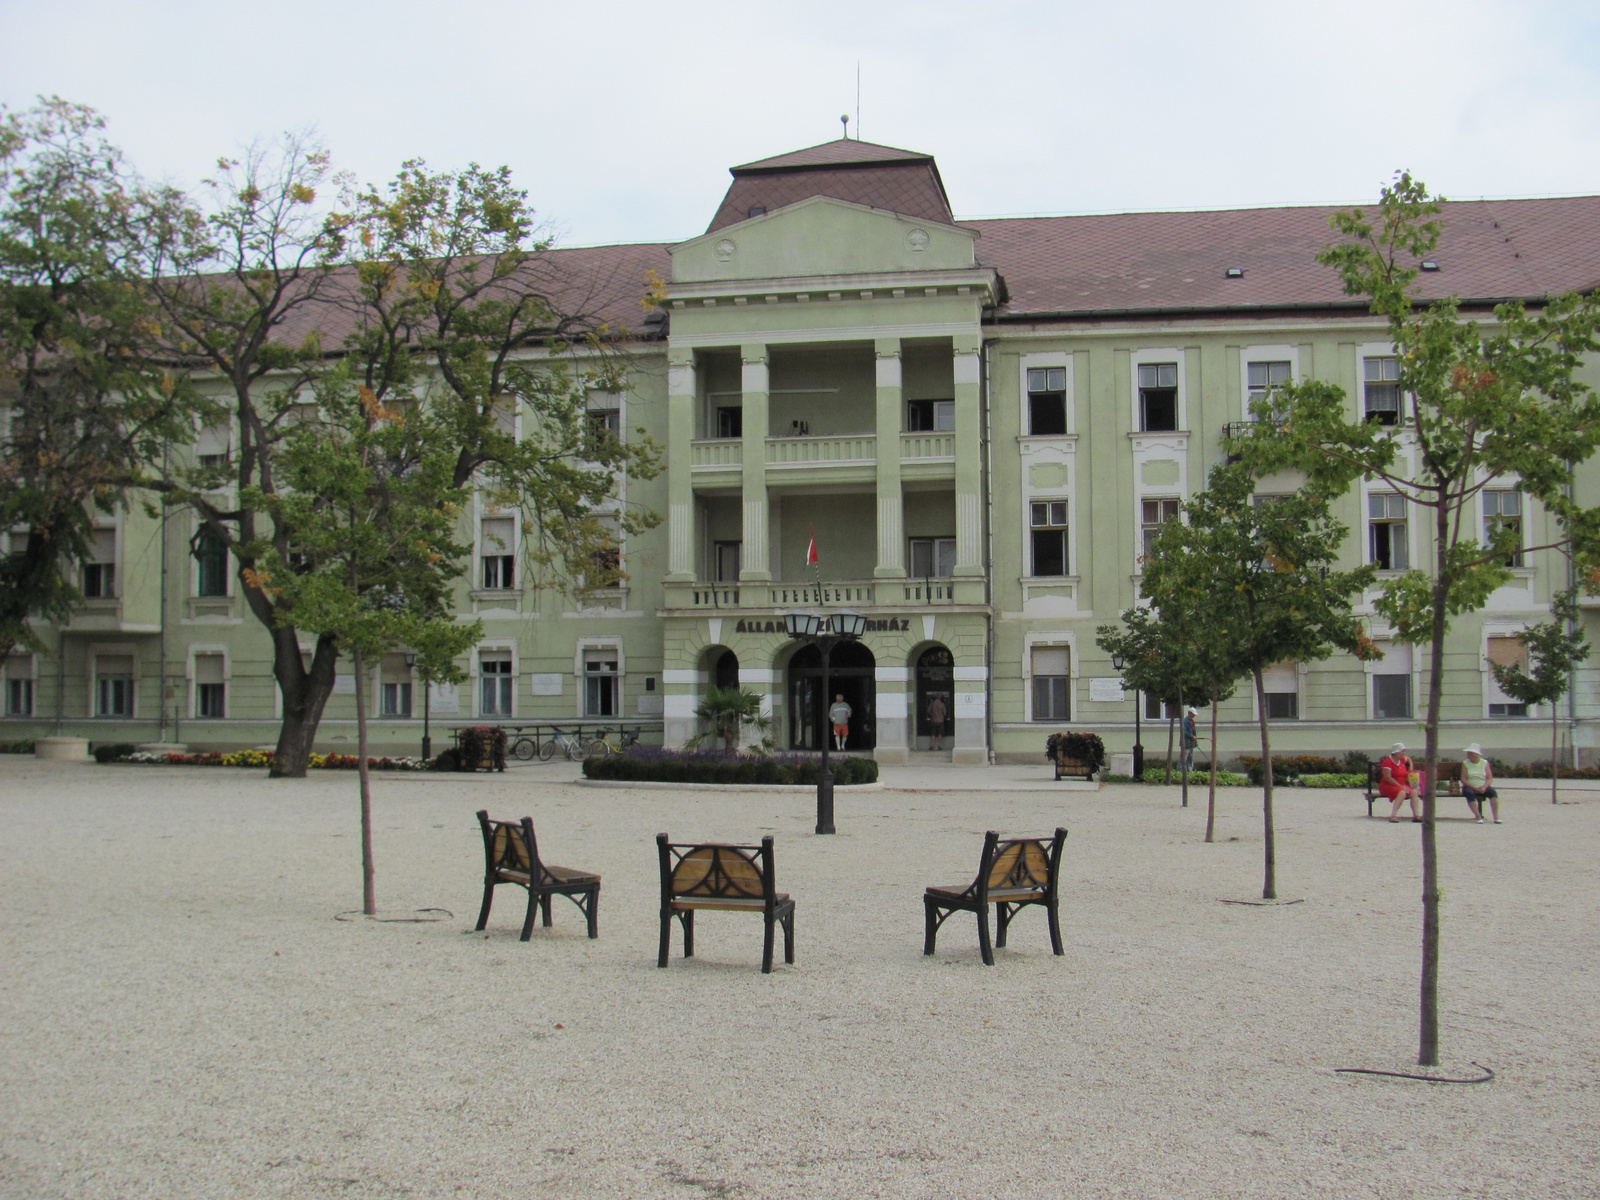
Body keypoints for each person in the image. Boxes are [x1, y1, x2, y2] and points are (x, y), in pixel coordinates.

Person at [1380, 741, 1422, 823]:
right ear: (1395, 753)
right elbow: (1388, 777)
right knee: (1401, 792)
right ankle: (1393, 815)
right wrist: (1400, 786)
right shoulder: (1388, 762)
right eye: (1401, 752)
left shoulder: (1402, 760)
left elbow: (1408, 759)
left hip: (1401, 784)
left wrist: (1411, 766)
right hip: (1389, 785)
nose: (1403, 754)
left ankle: (1416, 815)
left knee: (1413, 792)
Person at [1461, 743, 1501, 824]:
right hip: (1470, 785)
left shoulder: (1484, 763)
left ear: (1476, 754)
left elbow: (1489, 778)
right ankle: (1478, 816)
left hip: (1483, 785)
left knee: (1492, 792)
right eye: (1468, 753)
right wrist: (1475, 788)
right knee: (1469, 792)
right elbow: (1463, 779)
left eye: (1470, 753)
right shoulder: (1465, 763)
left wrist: (1484, 787)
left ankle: (1496, 817)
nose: (1468, 755)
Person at [1180, 706, 1198, 775]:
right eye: (1193, 714)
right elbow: (1184, 732)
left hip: (1191, 743)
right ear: (1189, 713)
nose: (1194, 716)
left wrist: (1195, 742)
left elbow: (1193, 732)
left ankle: (1191, 772)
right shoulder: (1185, 721)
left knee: (1190, 758)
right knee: (1183, 759)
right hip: (1186, 743)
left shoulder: (1192, 722)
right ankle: (1180, 772)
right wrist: (1192, 736)